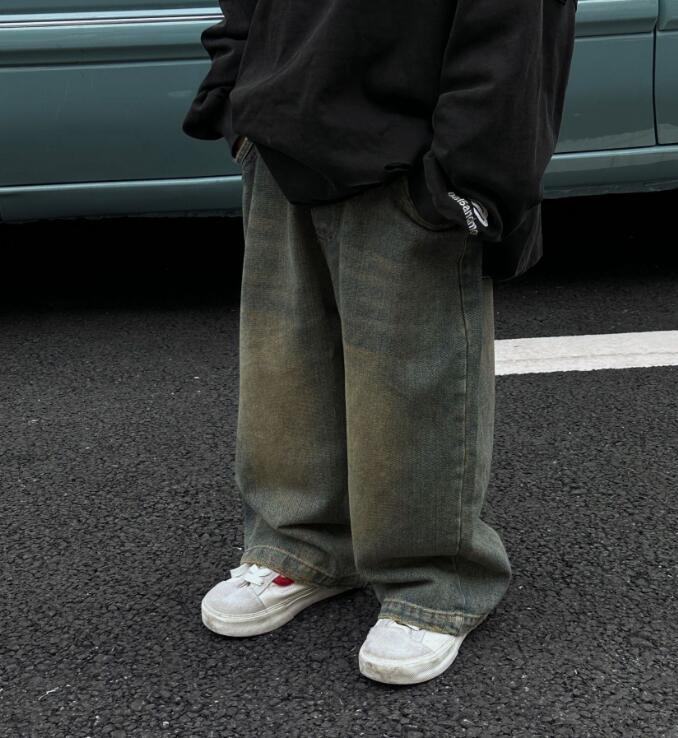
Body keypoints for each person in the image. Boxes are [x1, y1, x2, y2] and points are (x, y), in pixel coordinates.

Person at [182, 0, 577, 685]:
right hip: (283, 126)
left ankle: (433, 581)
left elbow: (516, 30)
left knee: (414, 371)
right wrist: (236, 91)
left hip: (409, 147)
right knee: (283, 359)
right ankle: (302, 547)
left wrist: (467, 178)